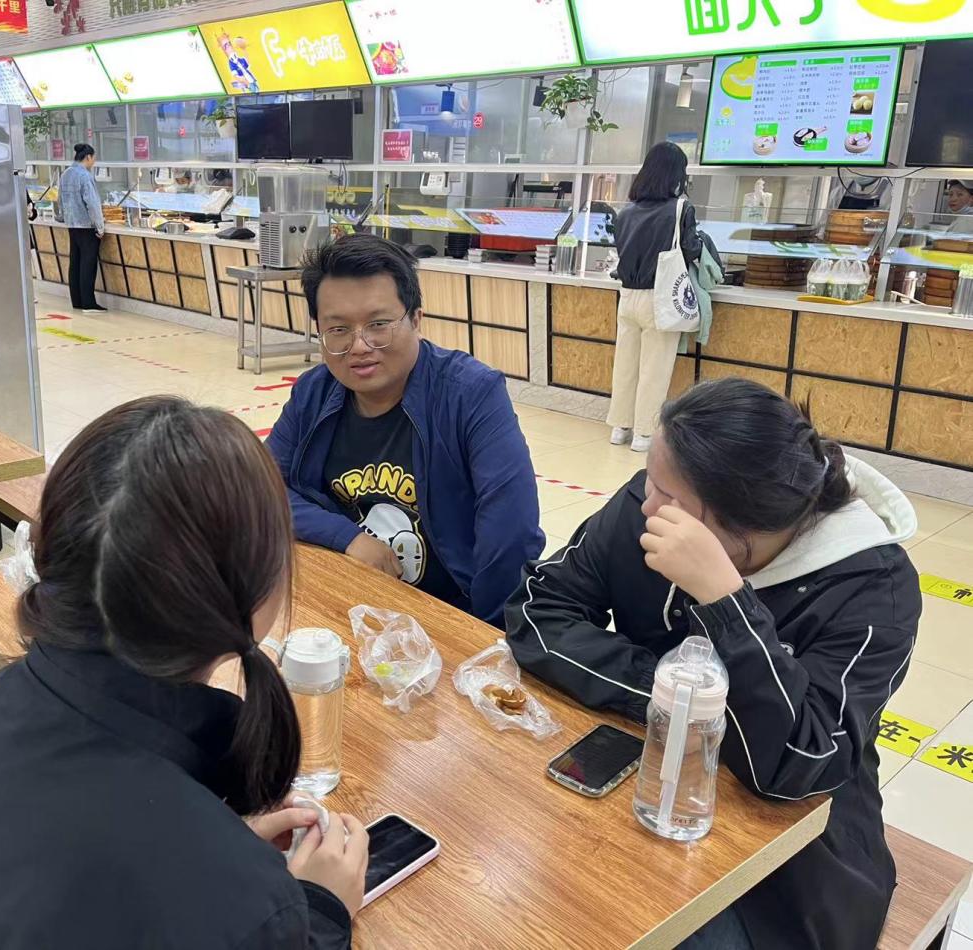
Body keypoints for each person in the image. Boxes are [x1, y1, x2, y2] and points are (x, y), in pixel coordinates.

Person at [0, 398, 369, 948]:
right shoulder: (243, 900)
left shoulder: (1, 700)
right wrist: (319, 909)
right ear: (251, 586)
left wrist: (217, 846)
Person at [506, 378, 920, 950]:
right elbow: (537, 610)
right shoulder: (656, 502)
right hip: (639, 787)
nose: (646, 505)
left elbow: (797, 765)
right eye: (650, 481)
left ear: (744, 522)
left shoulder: (874, 589)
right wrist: (671, 696)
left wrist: (727, 602)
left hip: (793, 872)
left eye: (667, 496)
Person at [267, 233, 543, 627]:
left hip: (450, 610)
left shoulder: (470, 394)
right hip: (349, 594)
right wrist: (347, 537)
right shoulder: (315, 392)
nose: (359, 346)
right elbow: (261, 487)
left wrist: (483, 634)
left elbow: (510, 531)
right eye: (338, 329)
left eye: (378, 324)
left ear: (416, 319)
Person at [607, 142, 704, 453]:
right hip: (660, 297)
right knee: (654, 370)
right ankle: (644, 434)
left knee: (625, 366)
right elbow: (691, 249)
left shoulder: (625, 212)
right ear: (676, 174)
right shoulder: (680, 209)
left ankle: (619, 428)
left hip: (627, 297)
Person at [59, 143, 106, 313]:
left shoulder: (66, 174)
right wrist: (99, 226)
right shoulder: (85, 176)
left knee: (75, 262)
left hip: (72, 224)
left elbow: (60, 199)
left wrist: (64, 217)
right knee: (88, 263)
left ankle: (77, 301)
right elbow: (92, 203)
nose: (93, 161)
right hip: (86, 226)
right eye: (93, 158)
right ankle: (88, 302)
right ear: (88, 157)